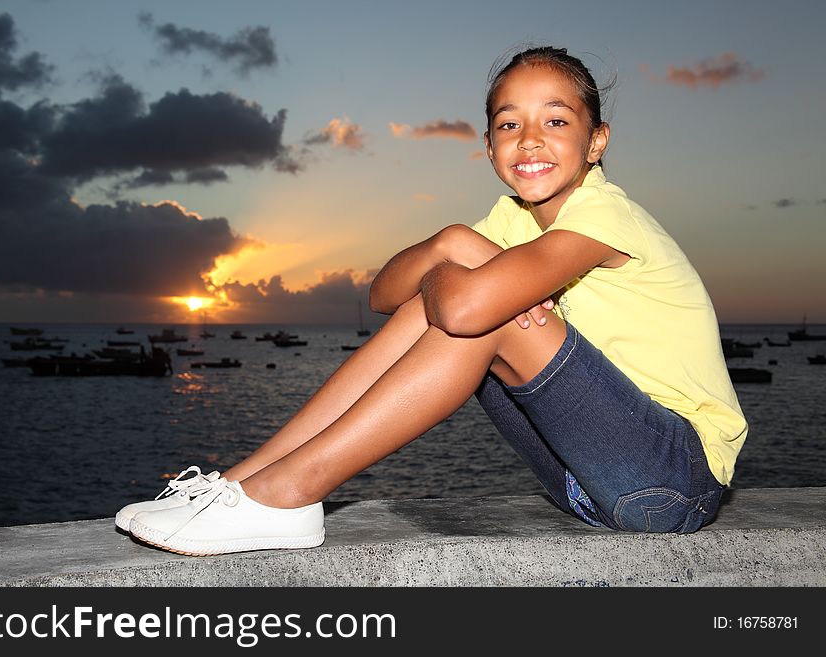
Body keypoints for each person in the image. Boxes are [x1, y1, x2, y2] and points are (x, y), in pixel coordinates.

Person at [118, 46, 747, 556]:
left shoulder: (604, 213)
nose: (529, 140)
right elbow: (386, 293)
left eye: (555, 120)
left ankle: (289, 494)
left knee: (478, 313)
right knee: (450, 302)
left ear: (596, 140)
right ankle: (240, 484)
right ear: (489, 144)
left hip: (674, 478)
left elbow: (466, 311)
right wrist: (450, 244)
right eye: (509, 124)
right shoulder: (510, 222)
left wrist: (460, 273)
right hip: (583, 483)